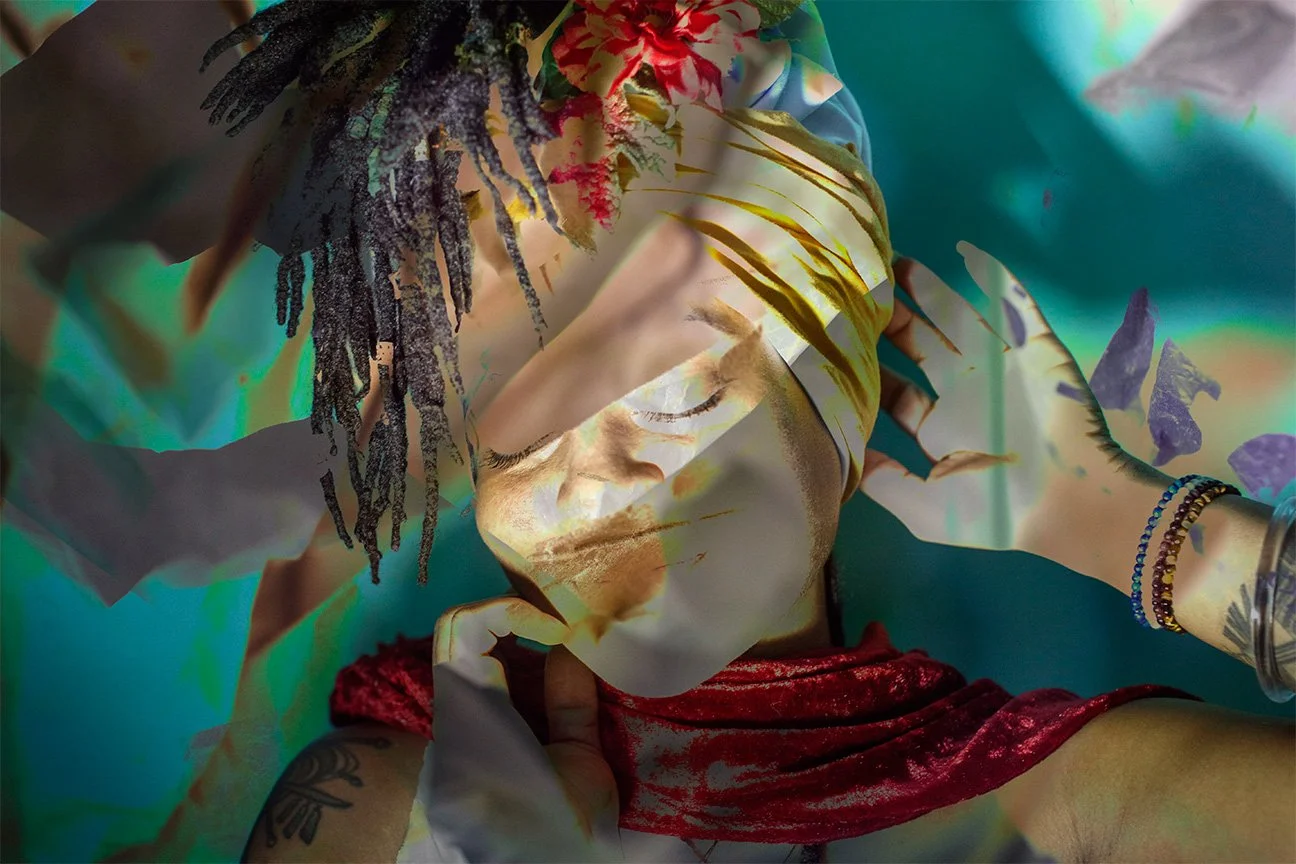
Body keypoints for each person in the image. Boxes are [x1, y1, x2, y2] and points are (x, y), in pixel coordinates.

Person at [172, 1, 1295, 862]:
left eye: (663, 382)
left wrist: (1152, 536)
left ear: (840, 360)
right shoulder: (385, 805)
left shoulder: (1074, 802)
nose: (598, 478)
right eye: (511, 438)